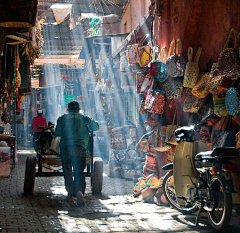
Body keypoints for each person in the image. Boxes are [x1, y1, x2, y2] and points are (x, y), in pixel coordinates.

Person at [55, 101, 99, 206]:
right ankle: (79, 192)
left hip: (66, 147)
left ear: (67, 109)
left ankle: (70, 195)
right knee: (79, 171)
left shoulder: (62, 118)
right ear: (78, 109)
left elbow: (57, 133)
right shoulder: (84, 118)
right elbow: (96, 126)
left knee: (68, 171)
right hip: (80, 148)